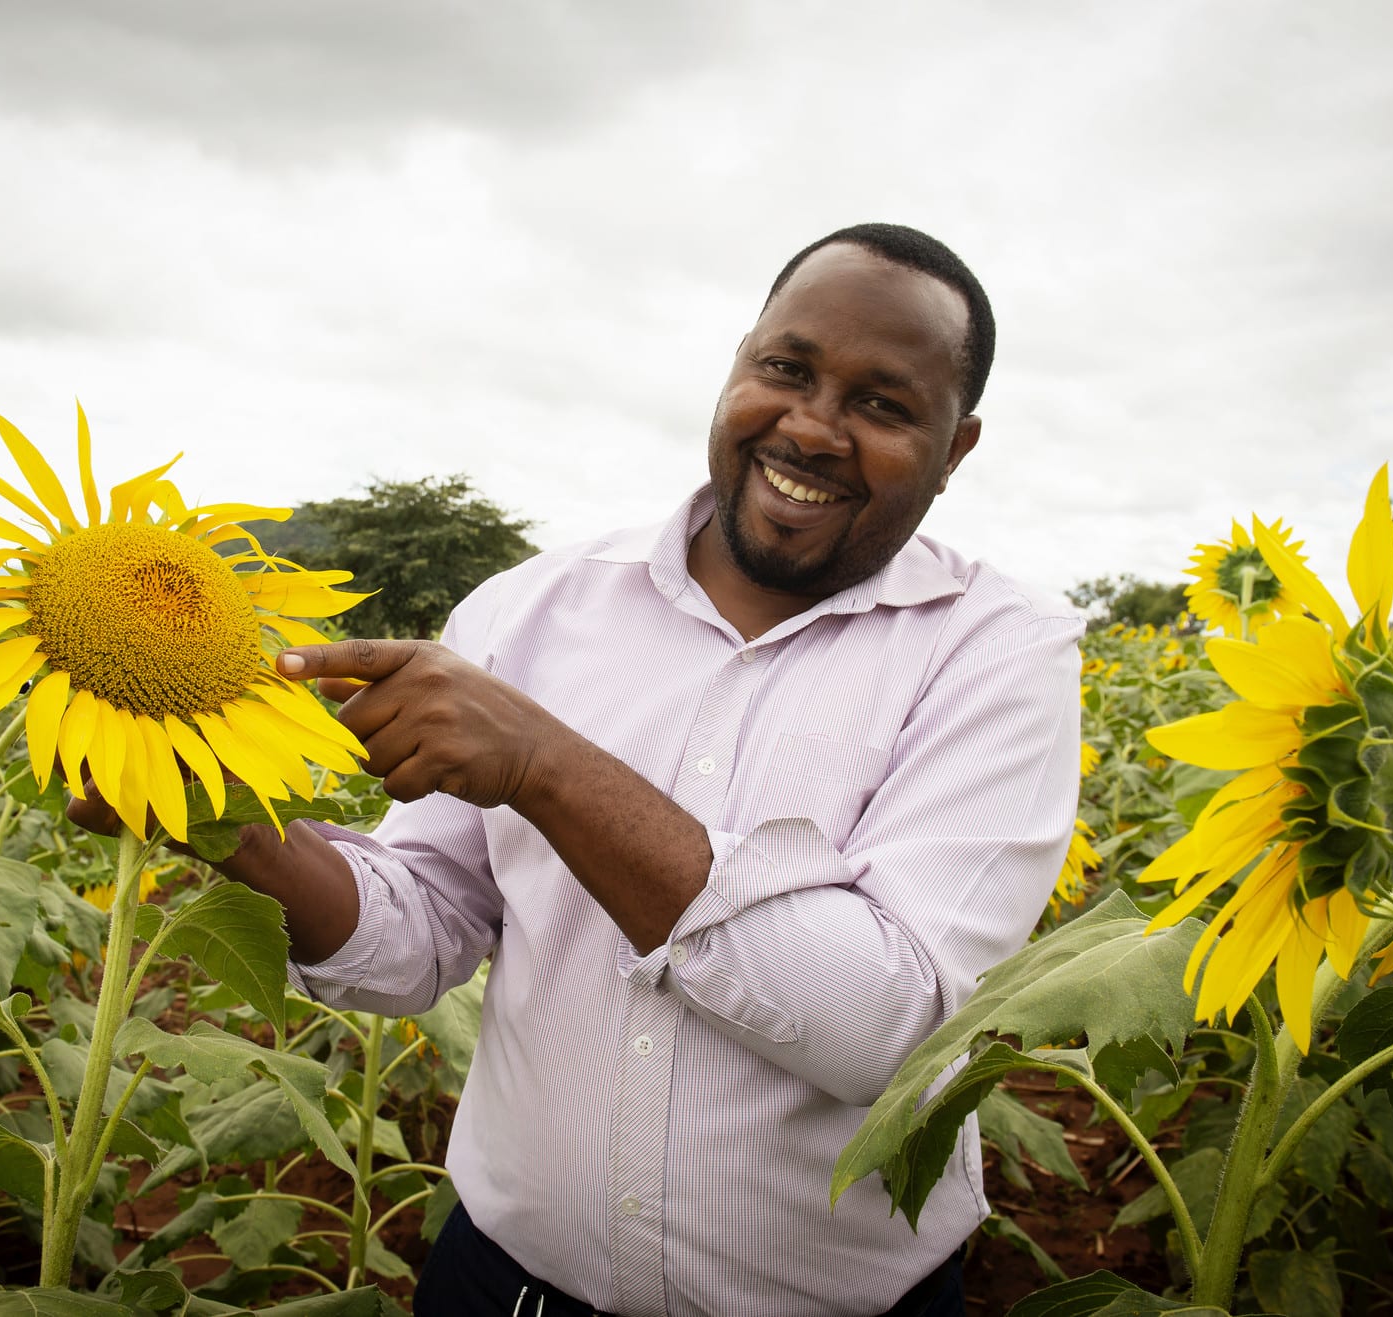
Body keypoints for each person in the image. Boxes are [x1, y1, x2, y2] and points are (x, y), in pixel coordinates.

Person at [74, 222, 1082, 1316]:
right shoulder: (529, 609)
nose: (809, 428)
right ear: (737, 366)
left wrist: (545, 766)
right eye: (783, 370)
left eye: (880, 405)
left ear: (956, 448)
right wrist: (225, 822)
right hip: (502, 1287)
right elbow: (413, 943)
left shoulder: (996, 651)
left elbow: (881, 1028)